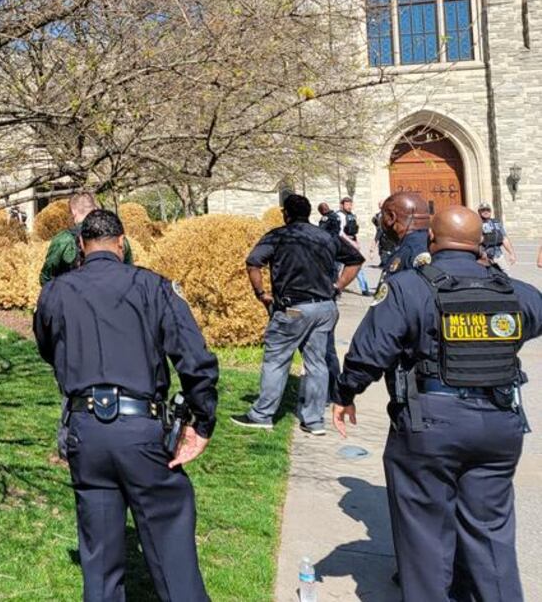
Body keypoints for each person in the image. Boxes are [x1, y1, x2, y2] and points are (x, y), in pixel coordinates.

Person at [333, 205, 542, 602]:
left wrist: (347, 393)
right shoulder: (512, 290)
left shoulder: (410, 286)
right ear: (482, 244)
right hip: (499, 424)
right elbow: (534, 314)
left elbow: (371, 349)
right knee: (491, 534)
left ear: (432, 240)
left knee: (425, 537)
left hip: (432, 424)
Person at [33, 209, 218, 602]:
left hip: (86, 431)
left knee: (98, 563)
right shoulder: (153, 287)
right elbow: (194, 358)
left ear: (81, 246)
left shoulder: (56, 291)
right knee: (171, 551)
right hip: (142, 430)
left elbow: (47, 347)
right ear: (122, 244)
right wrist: (202, 422)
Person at [231, 193, 363, 434]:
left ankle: (262, 414)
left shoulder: (279, 236)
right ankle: (313, 420)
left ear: (286, 214)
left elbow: (253, 263)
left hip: (292, 309)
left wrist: (261, 294)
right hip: (324, 307)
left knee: (276, 360)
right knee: (317, 363)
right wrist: (339, 285)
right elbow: (355, 260)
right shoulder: (326, 236)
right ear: (309, 212)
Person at [39, 191, 132, 285]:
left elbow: (46, 277)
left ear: (73, 212)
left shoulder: (64, 240)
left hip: (73, 295)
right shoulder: (118, 239)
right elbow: (129, 274)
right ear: (95, 209)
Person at [378, 191, 430, 282]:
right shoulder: (432, 243)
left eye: (383, 215)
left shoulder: (411, 251)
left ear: (391, 217)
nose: (381, 220)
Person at [337, 196, 370, 295]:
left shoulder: (351, 215)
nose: (349, 206)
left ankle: (364, 289)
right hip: (342, 243)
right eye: (347, 204)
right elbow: (340, 232)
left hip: (351, 241)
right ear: (342, 205)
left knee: (356, 264)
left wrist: (356, 242)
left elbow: (353, 231)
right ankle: (336, 288)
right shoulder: (340, 216)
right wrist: (351, 242)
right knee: (337, 267)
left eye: (350, 204)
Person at [478, 202, 516, 268]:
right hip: (484, 256)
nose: (486, 212)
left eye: (488, 210)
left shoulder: (496, 223)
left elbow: (504, 239)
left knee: (504, 275)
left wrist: (511, 253)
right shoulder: (476, 223)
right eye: (483, 210)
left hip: (498, 255)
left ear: (490, 211)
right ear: (479, 212)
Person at [372, 202, 397, 267]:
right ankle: (383, 262)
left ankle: (388, 262)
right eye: (380, 205)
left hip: (388, 233)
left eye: (382, 205)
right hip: (381, 232)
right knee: (381, 248)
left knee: (389, 248)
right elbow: (374, 221)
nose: (381, 206)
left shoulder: (389, 213)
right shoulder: (378, 215)